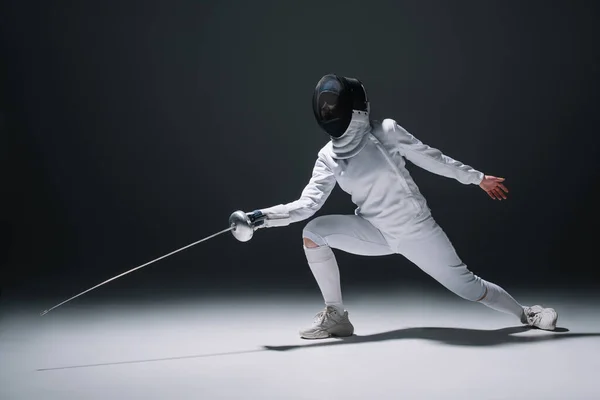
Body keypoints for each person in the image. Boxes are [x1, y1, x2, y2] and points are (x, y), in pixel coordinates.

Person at [244, 74, 558, 339]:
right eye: (325, 106)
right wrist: (259, 218)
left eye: (332, 105)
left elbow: (433, 159)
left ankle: (526, 314)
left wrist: (477, 178)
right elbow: (306, 206)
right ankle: (337, 316)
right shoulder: (328, 157)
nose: (328, 109)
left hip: (416, 231)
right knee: (314, 232)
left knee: (469, 287)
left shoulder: (386, 132)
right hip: (374, 231)